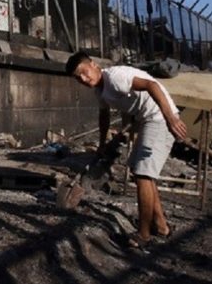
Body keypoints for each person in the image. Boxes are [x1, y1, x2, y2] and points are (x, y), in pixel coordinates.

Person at [65, 51, 187, 248]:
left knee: (143, 175)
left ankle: (144, 235)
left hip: (159, 118)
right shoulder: (100, 90)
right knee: (143, 174)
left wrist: (170, 117)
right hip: (146, 119)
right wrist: (103, 144)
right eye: (78, 78)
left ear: (94, 65)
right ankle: (162, 226)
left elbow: (151, 85)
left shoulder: (115, 78)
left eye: (85, 72)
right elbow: (103, 116)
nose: (84, 79)